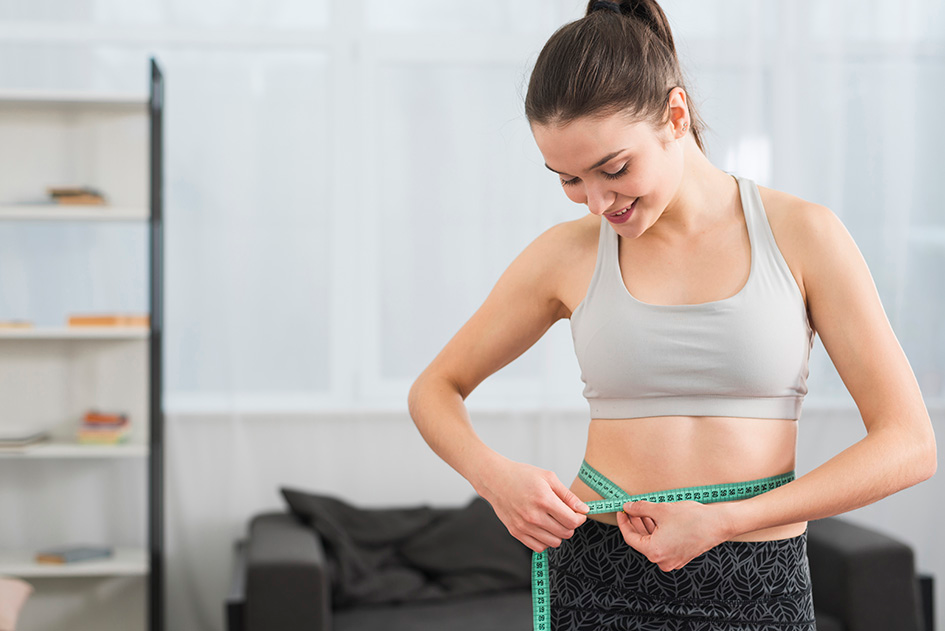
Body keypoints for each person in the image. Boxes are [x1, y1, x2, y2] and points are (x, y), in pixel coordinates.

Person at [407, 1, 937, 629]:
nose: (598, 203)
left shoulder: (803, 235)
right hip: (599, 572)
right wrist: (496, 479)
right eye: (569, 180)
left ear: (675, 115)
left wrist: (725, 518)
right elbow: (434, 389)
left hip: (757, 577)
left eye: (614, 169)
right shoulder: (567, 254)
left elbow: (909, 445)